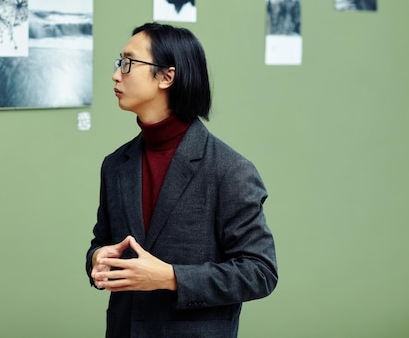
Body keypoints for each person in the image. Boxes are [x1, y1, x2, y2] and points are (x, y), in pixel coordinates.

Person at [85, 22, 278, 338]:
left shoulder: (229, 169)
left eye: (128, 63)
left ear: (166, 76)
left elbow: (260, 272)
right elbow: (101, 242)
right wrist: (96, 258)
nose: (116, 74)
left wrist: (169, 277)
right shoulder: (115, 166)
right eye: (119, 63)